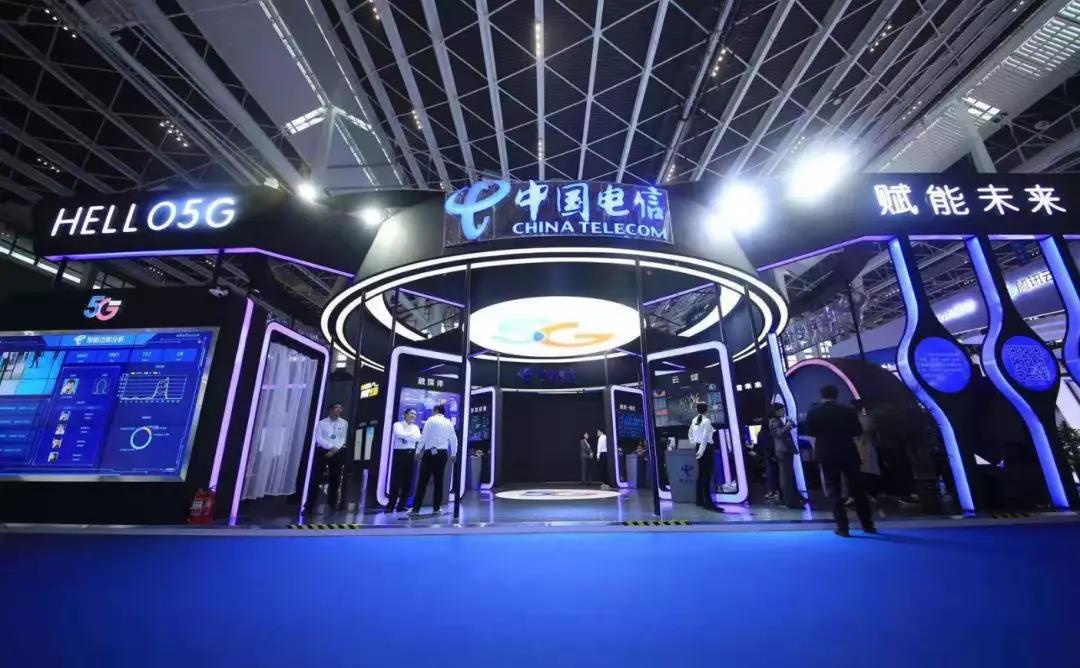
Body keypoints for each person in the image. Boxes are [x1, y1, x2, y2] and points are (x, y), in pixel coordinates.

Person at [804, 386, 876, 536]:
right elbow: (857, 431)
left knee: (834, 490)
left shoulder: (814, 412)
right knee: (857, 489)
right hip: (848, 452)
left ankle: (843, 528)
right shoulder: (847, 411)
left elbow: (810, 431)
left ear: (822, 396)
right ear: (837, 395)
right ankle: (867, 525)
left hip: (827, 453)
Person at [410, 405, 458, 516]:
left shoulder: (430, 420)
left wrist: (418, 451)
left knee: (422, 481)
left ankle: (415, 510)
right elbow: (454, 439)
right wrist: (454, 454)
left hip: (429, 453)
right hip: (443, 454)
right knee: (439, 481)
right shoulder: (449, 422)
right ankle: (437, 509)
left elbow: (424, 437)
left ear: (435, 411)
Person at [307, 402, 348, 513]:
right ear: (331, 410)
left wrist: (335, 449)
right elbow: (319, 438)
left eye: (340, 408)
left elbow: (343, 438)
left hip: (337, 452)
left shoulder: (344, 423)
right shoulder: (322, 423)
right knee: (316, 478)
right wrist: (330, 447)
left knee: (335, 479)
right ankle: (310, 505)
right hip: (322, 452)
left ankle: (332, 504)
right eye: (336, 408)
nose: (338, 410)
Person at [688, 403, 723, 512]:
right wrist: (701, 451)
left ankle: (700, 500)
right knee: (706, 476)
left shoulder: (694, 420)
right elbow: (704, 438)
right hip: (705, 449)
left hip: (699, 447)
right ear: (706, 410)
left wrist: (695, 444)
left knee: (701, 475)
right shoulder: (706, 421)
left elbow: (690, 434)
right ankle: (708, 503)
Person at [768, 403, 804, 509]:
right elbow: (779, 433)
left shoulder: (779, 421)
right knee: (786, 477)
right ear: (776, 411)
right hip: (782, 452)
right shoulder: (773, 421)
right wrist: (788, 425)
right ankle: (789, 501)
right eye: (781, 410)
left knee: (789, 476)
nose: (783, 412)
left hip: (786, 451)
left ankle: (792, 499)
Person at [386, 408, 421, 512]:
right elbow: (398, 434)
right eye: (411, 413)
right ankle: (391, 505)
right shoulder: (397, 424)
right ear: (405, 414)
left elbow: (418, 438)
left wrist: (405, 437)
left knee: (407, 481)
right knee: (395, 481)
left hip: (411, 454)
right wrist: (411, 435)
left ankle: (401, 505)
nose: (413, 416)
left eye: (415, 414)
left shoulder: (416, 427)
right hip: (399, 454)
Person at [852, 400, 883, 500]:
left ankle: (869, 493)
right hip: (866, 447)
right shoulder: (867, 419)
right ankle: (872, 493)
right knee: (869, 471)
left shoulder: (856, 421)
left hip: (861, 447)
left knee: (865, 471)